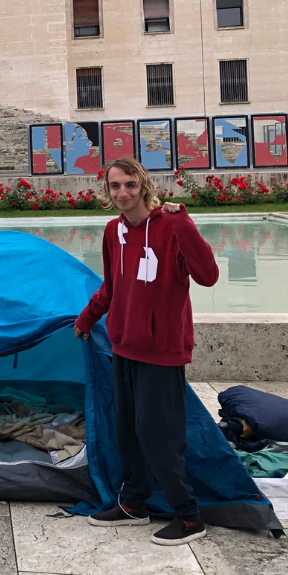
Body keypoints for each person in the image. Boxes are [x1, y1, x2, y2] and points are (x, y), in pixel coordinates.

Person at [73, 157, 219, 546]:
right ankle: (134, 503)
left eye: (130, 185)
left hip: (162, 349)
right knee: (128, 432)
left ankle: (189, 517)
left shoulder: (172, 226)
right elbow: (112, 286)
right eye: (115, 186)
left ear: (144, 187)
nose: (123, 193)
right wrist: (88, 318)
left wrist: (184, 222)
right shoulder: (112, 231)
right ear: (108, 191)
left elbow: (208, 276)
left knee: (158, 434)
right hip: (125, 346)